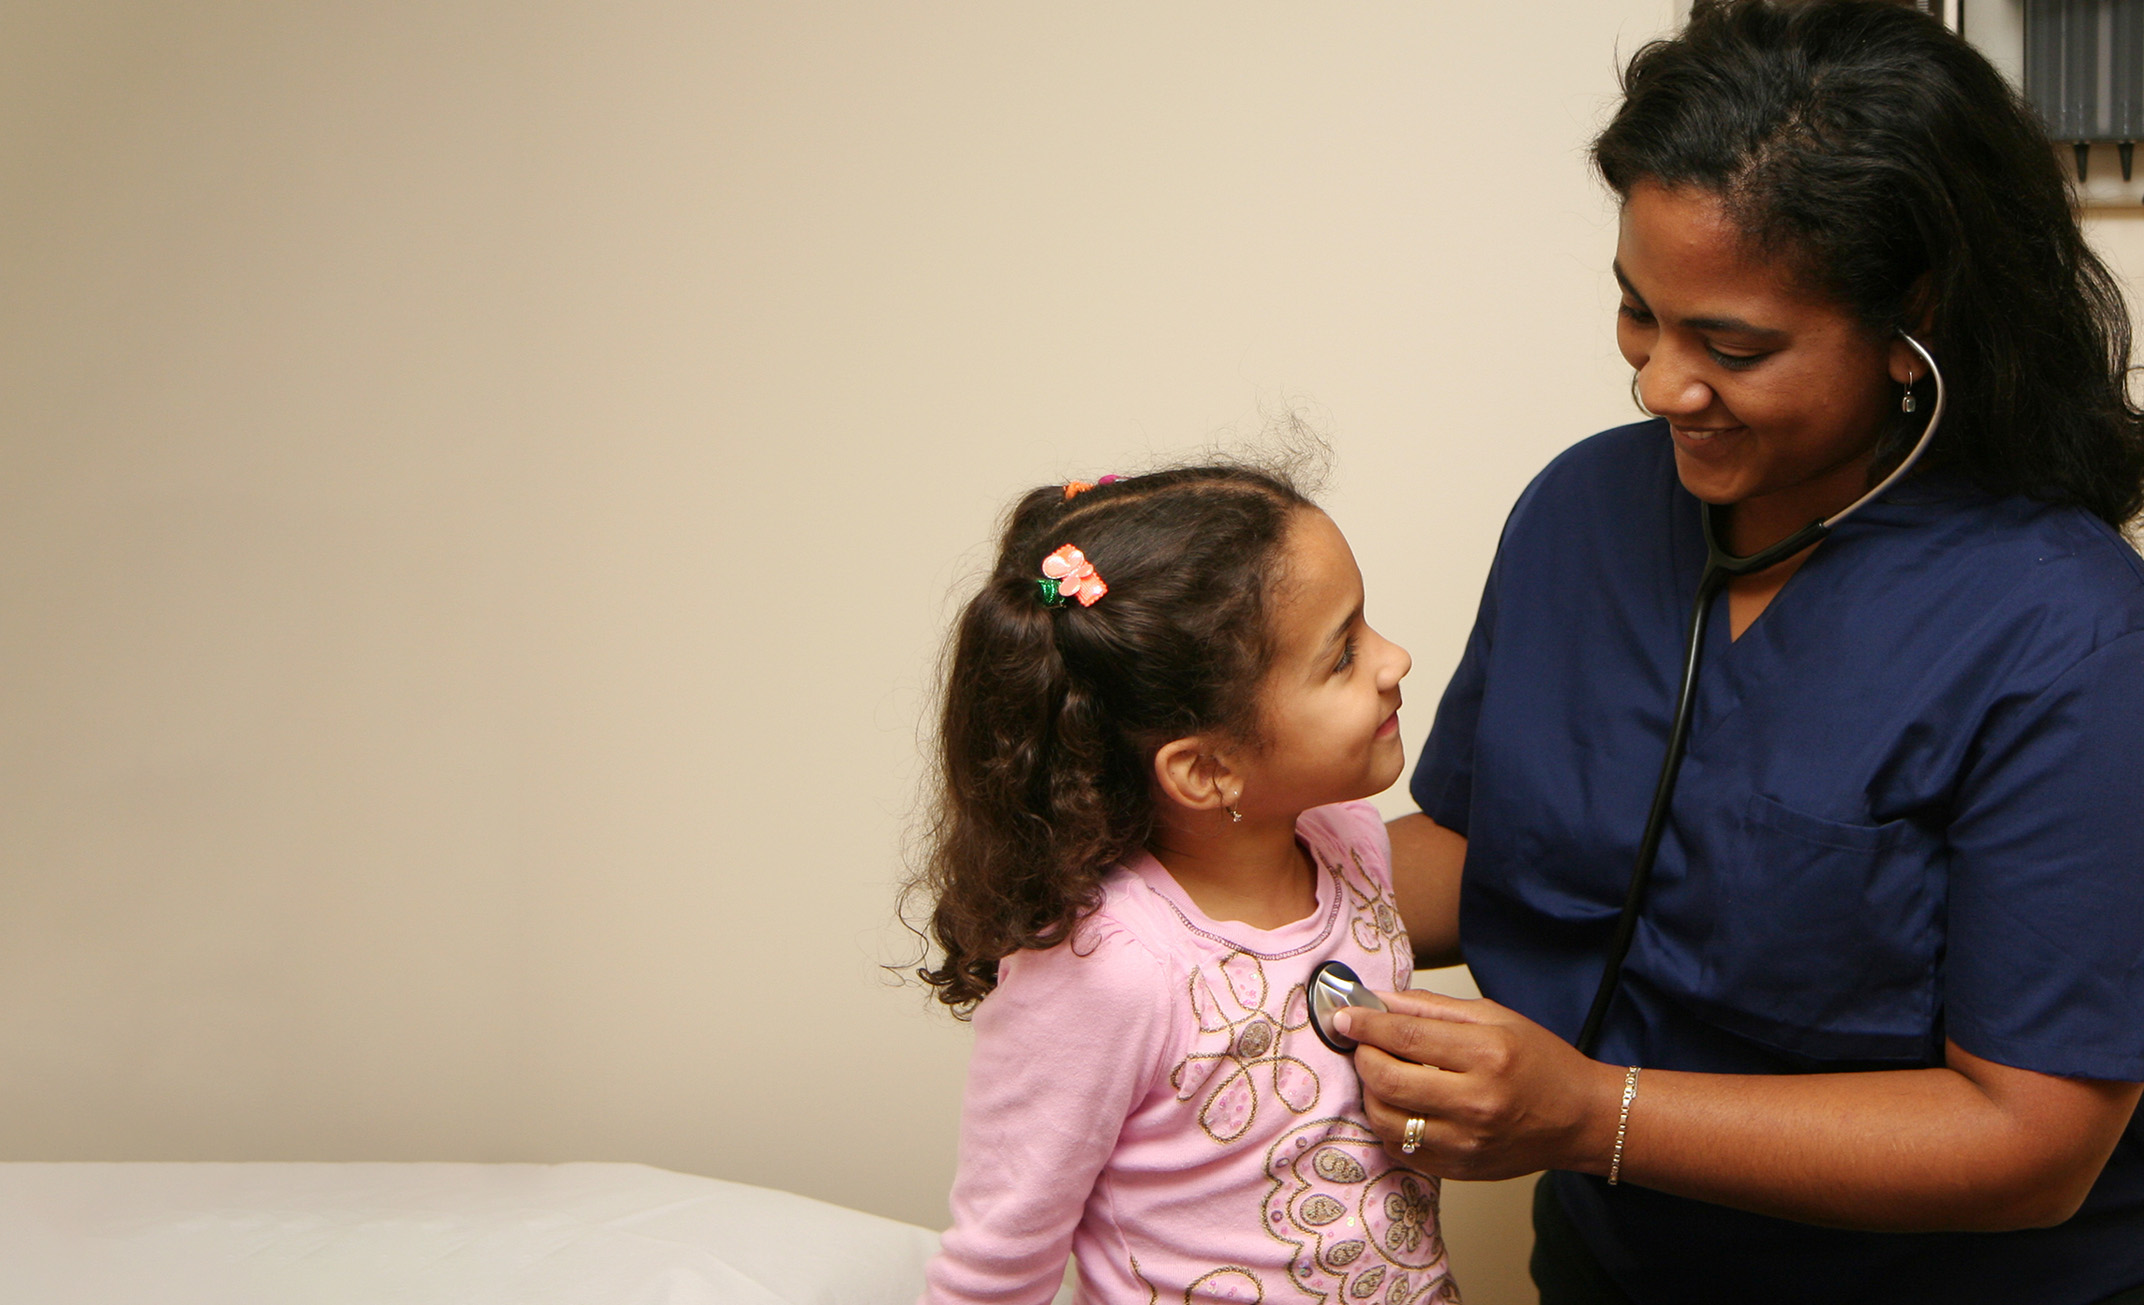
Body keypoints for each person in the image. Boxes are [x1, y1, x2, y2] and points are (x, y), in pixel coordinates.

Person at [1327, 2, 2144, 1302]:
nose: (1659, 385)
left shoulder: (2071, 633)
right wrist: (1181, 875)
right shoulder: (1583, 509)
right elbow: (1497, 851)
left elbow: (2032, 1138)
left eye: (1734, 344)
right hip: (1607, 1267)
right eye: (1637, 312)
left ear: (1909, 319)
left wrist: (1589, 1115)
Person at [907, 465, 1455, 1305]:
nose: (1394, 660)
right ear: (1206, 769)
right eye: (1342, 654)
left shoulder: (1348, 845)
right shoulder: (1108, 971)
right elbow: (995, 1267)